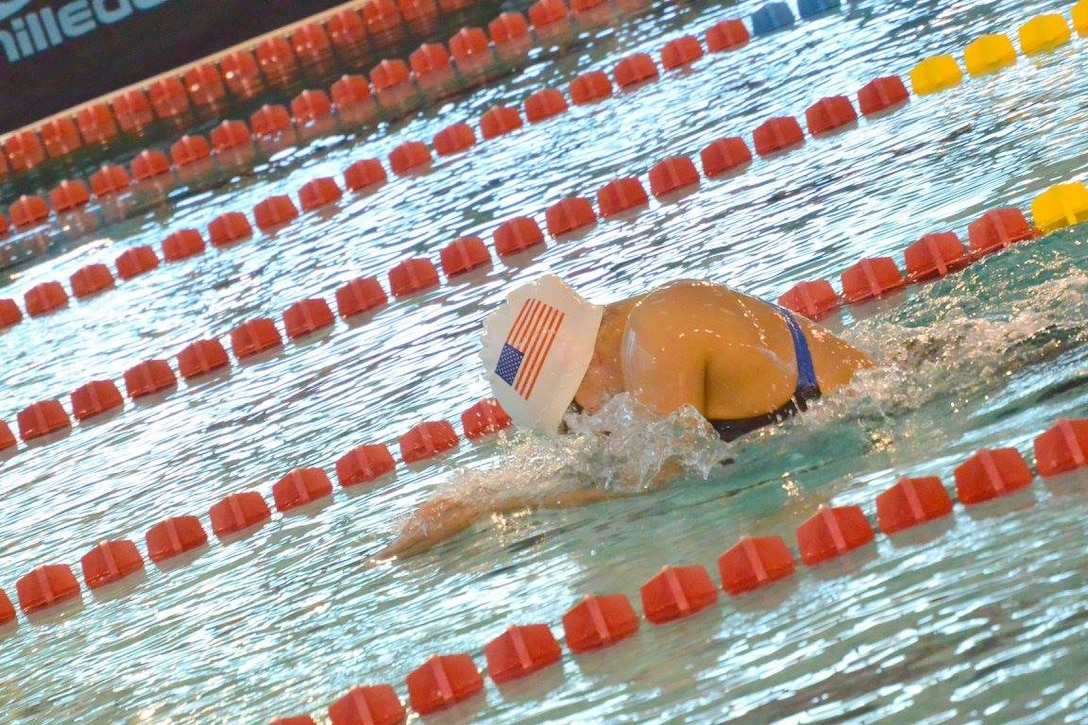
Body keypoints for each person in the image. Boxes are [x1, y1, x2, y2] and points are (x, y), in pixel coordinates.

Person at [377, 275, 873, 559]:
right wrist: (479, 494)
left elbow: (662, 478)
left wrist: (498, 509)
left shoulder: (656, 336)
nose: (592, 425)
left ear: (583, 369)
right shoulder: (644, 333)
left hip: (874, 429)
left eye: (574, 418)